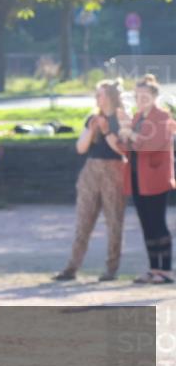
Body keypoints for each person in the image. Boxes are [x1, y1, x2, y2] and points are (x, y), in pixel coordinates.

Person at [53, 79, 128, 282]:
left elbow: (122, 149)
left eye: (100, 94)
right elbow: (81, 148)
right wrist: (92, 130)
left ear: (111, 96)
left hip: (114, 169)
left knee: (114, 221)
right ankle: (71, 268)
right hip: (91, 169)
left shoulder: (121, 118)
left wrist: (106, 131)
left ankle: (111, 269)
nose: (97, 98)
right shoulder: (93, 118)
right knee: (83, 220)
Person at [119, 74, 175, 284]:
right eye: (137, 96)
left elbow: (151, 145)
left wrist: (131, 136)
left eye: (144, 96)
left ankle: (166, 270)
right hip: (137, 178)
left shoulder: (163, 118)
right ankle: (153, 268)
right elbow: (129, 148)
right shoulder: (136, 118)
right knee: (146, 224)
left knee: (158, 223)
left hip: (155, 178)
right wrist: (122, 136)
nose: (140, 101)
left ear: (154, 97)